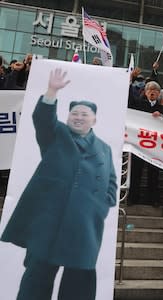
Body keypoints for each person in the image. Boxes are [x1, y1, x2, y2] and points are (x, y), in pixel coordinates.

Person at [0, 68, 117, 300]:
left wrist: (102, 203)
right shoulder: (56, 134)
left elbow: (111, 180)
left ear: (94, 119)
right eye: (74, 113)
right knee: (38, 276)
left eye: (84, 114)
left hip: (84, 224)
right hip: (49, 220)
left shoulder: (104, 148)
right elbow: (42, 119)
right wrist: (52, 91)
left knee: (80, 281)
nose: (79, 117)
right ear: (67, 117)